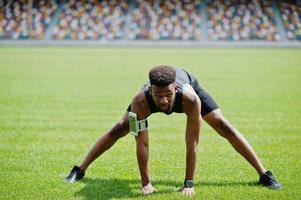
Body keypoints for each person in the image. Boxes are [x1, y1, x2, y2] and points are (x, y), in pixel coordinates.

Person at [65, 65, 282, 196]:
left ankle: (264, 175)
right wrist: (146, 183)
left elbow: (192, 142)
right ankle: (80, 169)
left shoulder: (190, 99)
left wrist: (189, 183)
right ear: (150, 89)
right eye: (158, 94)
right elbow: (142, 142)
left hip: (190, 84)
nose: (163, 99)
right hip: (144, 104)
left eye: (168, 94)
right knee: (119, 127)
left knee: (224, 126)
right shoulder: (140, 101)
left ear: (175, 89)